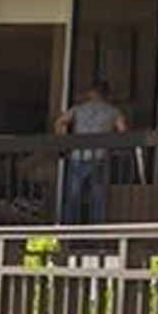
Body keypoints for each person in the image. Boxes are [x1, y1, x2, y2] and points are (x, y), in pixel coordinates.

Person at [57, 80, 129, 226]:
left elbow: (60, 122)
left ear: (91, 93)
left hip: (78, 155)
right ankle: (97, 233)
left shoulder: (78, 109)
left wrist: (65, 142)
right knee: (98, 197)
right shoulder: (113, 111)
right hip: (100, 157)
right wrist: (115, 146)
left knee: (72, 196)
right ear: (107, 95)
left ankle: (68, 231)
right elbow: (123, 133)